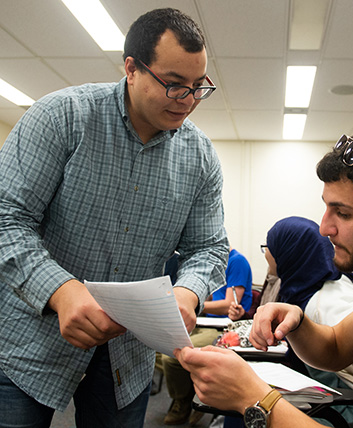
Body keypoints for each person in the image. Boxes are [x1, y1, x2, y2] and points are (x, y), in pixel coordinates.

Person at [0, 7, 229, 428]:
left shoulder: (199, 157)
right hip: (27, 339)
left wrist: (188, 293)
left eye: (199, 87)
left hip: (128, 354)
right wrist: (61, 290)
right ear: (131, 69)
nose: (189, 101)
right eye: (175, 85)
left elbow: (209, 247)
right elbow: (6, 218)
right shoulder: (62, 117)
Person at [175, 127, 353, 428]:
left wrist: (253, 397)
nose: (324, 228)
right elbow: (334, 347)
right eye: (326, 208)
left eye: (343, 214)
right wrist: (298, 321)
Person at [229, 216, 353, 427]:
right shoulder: (324, 286)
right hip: (342, 399)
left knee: (241, 402)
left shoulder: (318, 306)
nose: (267, 253)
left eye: (270, 247)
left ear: (290, 253)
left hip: (347, 410)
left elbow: (334, 387)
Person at [162, 248, 252, 425]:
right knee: (158, 349)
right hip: (207, 322)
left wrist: (193, 304)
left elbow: (228, 305)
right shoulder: (217, 263)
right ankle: (190, 390)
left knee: (171, 356)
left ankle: (184, 399)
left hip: (222, 327)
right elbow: (212, 295)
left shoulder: (236, 262)